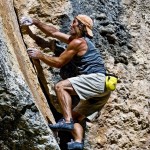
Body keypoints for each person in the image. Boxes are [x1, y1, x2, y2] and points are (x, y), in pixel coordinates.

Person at [21, 14, 111, 150]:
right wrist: (34, 22)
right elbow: (53, 32)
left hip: (96, 79)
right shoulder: (77, 41)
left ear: (81, 27)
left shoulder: (78, 43)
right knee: (76, 116)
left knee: (60, 87)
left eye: (74, 22)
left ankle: (67, 121)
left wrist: (40, 55)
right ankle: (78, 142)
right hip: (105, 88)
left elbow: (58, 63)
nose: (71, 25)